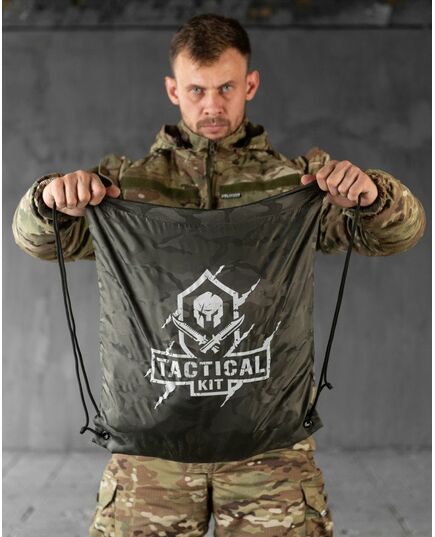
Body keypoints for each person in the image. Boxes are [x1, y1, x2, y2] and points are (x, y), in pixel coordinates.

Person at [12, 13, 426, 537]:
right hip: (152, 455)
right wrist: (50, 199)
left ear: (250, 84)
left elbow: (398, 234)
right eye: (197, 89)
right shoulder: (124, 187)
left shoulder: (296, 182)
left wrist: (373, 195)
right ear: (173, 90)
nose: (212, 105)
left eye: (226, 87)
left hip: (269, 453)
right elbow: (37, 239)